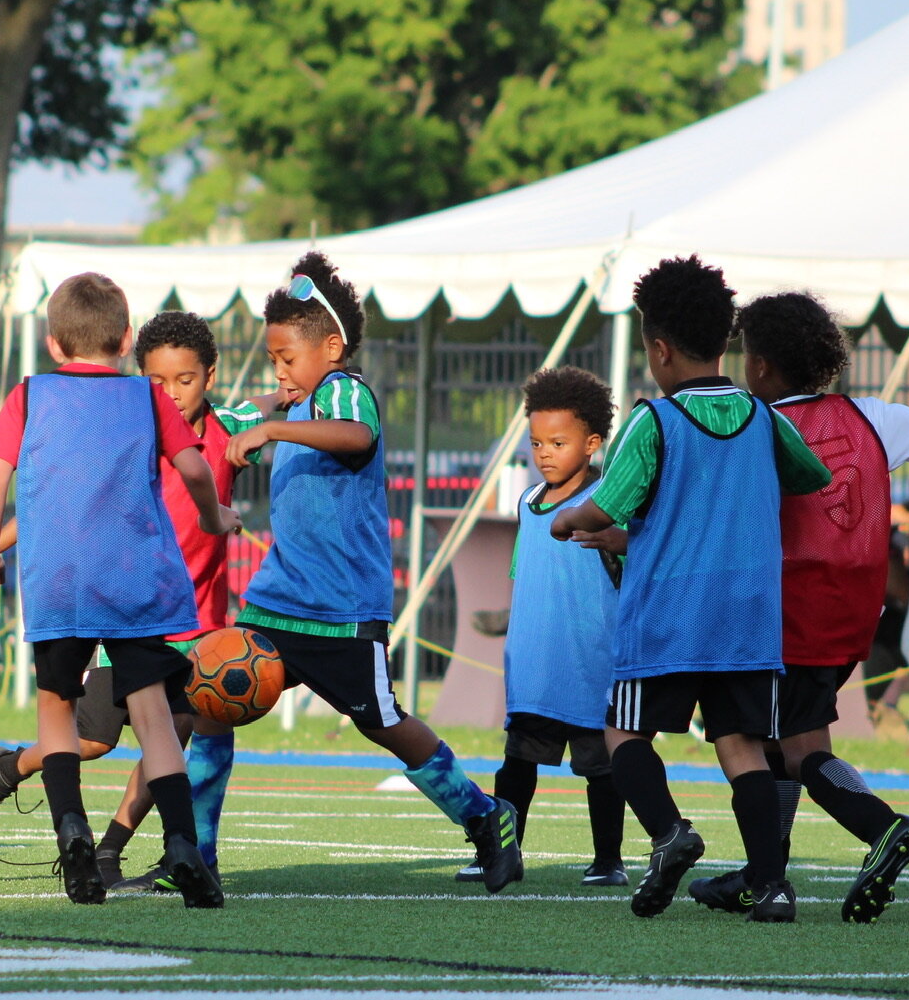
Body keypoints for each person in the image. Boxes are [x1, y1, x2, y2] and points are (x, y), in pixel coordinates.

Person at [222, 252, 524, 891]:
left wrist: (272, 427)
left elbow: (356, 436)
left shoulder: (344, 391)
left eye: (287, 359)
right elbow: (222, 424)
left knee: (381, 721)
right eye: (272, 360)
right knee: (210, 703)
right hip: (276, 600)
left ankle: (486, 816)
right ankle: (189, 853)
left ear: (331, 347)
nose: (279, 372)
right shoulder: (283, 403)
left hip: (341, 608)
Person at [549, 256, 830, 921]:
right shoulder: (764, 419)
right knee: (742, 749)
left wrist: (565, 518)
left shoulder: (657, 421)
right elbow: (810, 477)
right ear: (726, 339)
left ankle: (671, 833)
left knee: (624, 735)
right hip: (748, 619)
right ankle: (771, 886)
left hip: (668, 615)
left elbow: (603, 509)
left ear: (659, 348)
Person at [0, 311, 267, 892]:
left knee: (99, 714)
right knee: (122, 731)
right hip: (141, 592)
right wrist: (213, 515)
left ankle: (92, 840)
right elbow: (179, 471)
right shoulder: (145, 404)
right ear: (127, 345)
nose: (174, 389)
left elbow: (4, 480)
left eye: (186, 379)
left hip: (109, 598)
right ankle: (168, 839)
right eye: (163, 377)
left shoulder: (37, 394)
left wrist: (286, 409)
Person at [715, 290, 909, 922]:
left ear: (759, 367)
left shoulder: (758, 425)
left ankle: (878, 830)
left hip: (786, 609)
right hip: (852, 613)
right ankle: (767, 872)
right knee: (789, 736)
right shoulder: (868, 414)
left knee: (777, 745)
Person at [452, 366, 629, 889]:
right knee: (516, 767)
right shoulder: (527, 504)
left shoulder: (607, 511)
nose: (544, 452)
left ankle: (608, 860)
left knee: (602, 768)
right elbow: (527, 580)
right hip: (534, 666)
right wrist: (508, 622)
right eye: (536, 442)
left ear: (592, 443)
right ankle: (502, 853)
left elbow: (627, 576)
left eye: (558, 441)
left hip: (592, 665)